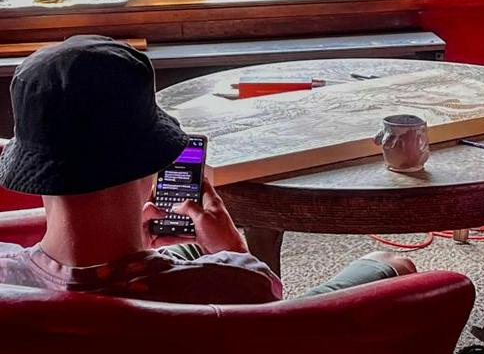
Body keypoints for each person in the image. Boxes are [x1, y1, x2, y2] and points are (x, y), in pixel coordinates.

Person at [0, 35, 413, 303]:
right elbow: (268, 310)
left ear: (31, 166)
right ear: (152, 161)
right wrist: (232, 249)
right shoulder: (231, 281)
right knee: (394, 266)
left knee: (180, 250)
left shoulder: (7, 280)